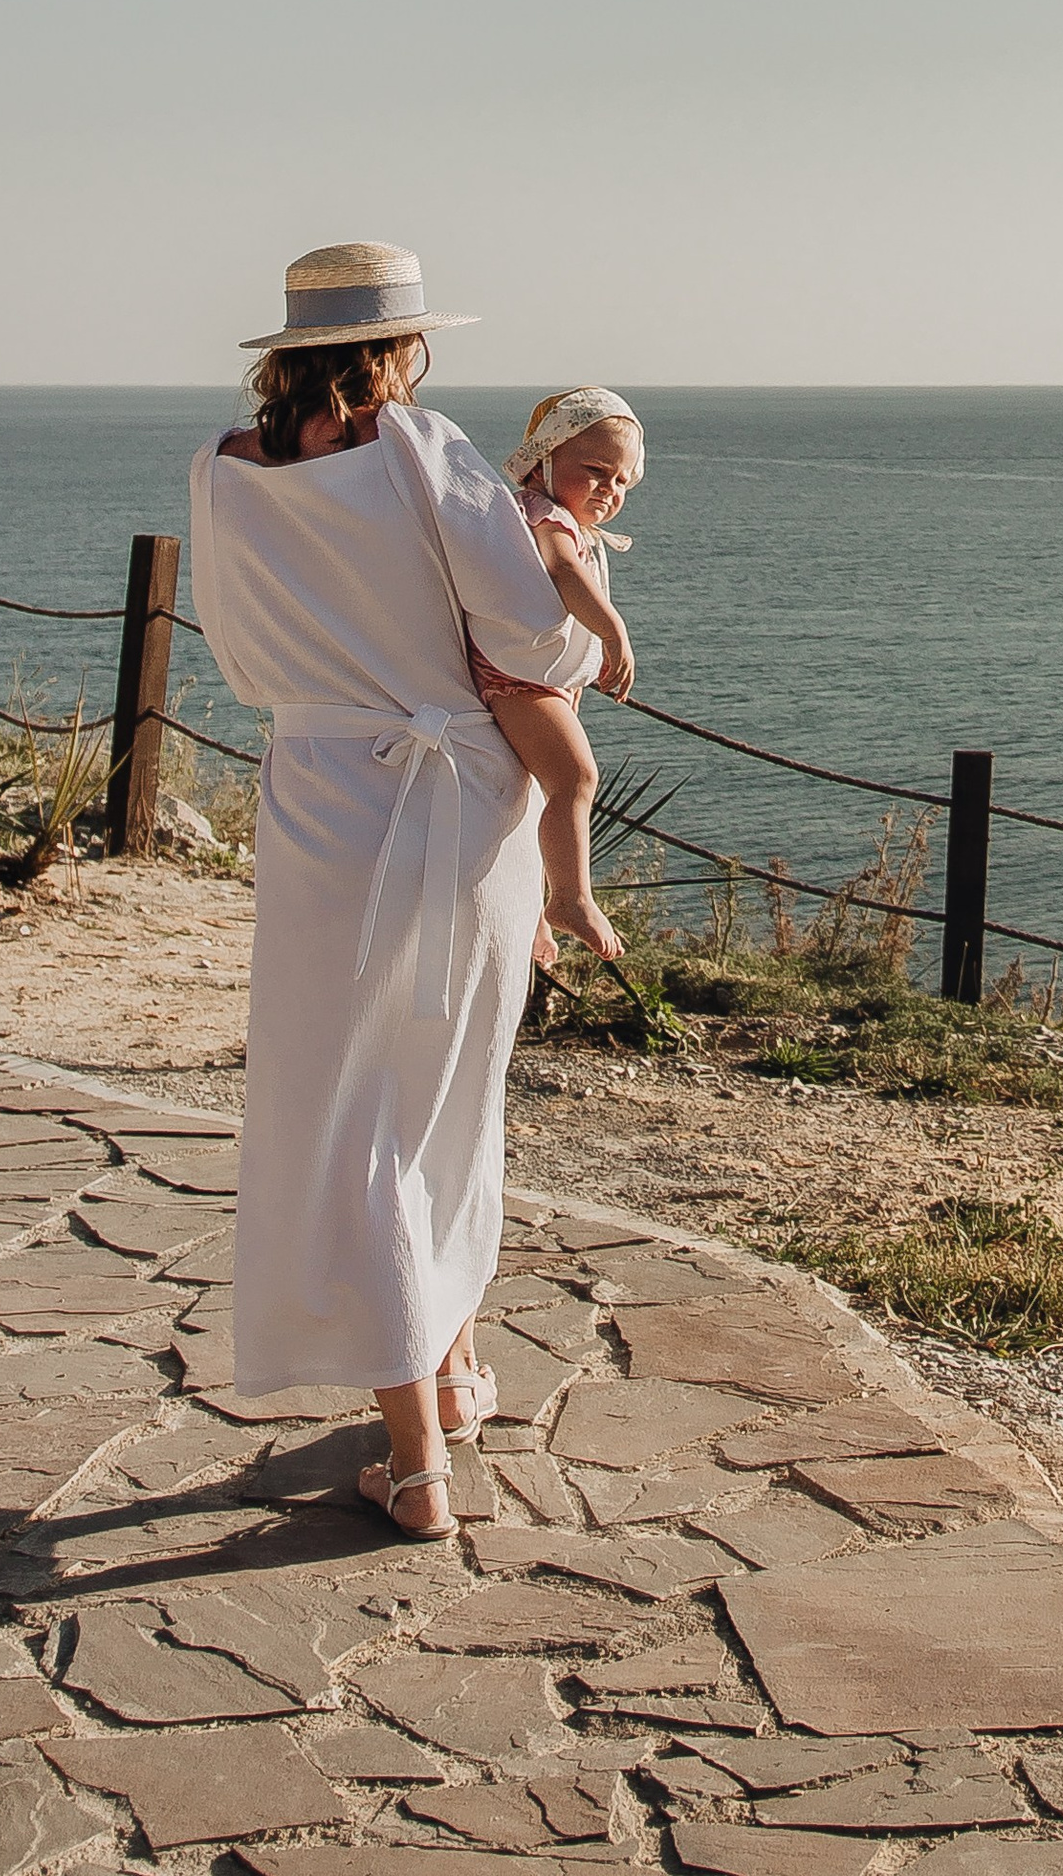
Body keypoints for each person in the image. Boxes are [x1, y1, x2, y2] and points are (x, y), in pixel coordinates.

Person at [188, 240, 601, 1537]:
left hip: (318, 794)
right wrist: (572, 637)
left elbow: (241, 653)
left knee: (349, 1105)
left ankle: (450, 1380)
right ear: (403, 347)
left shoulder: (221, 472)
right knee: (443, 1094)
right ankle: (421, 1457)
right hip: (457, 794)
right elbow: (533, 634)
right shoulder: (425, 449)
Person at [465, 388, 646, 969]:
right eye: (594, 471)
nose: (608, 491)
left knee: (552, 795)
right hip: (518, 683)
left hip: (543, 682)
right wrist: (614, 631)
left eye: (621, 482)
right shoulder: (544, 516)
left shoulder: (565, 520)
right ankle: (570, 899)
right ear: (544, 460)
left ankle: (539, 912)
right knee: (574, 778)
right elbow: (564, 575)